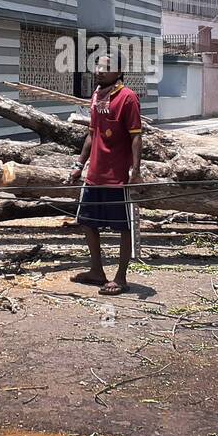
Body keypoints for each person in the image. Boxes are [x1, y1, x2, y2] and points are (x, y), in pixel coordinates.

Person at [68, 55, 143, 296]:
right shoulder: (96, 96)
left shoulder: (128, 98)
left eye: (106, 67)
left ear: (119, 71)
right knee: (87, 222)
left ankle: (120, 277)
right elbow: (92, 134)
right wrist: (79, 164)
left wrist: (136, 171)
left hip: (118, 177)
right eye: (98, 66)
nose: (100, 71)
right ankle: (96, 271)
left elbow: (136, 136)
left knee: (123, 227)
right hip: (95, 174)